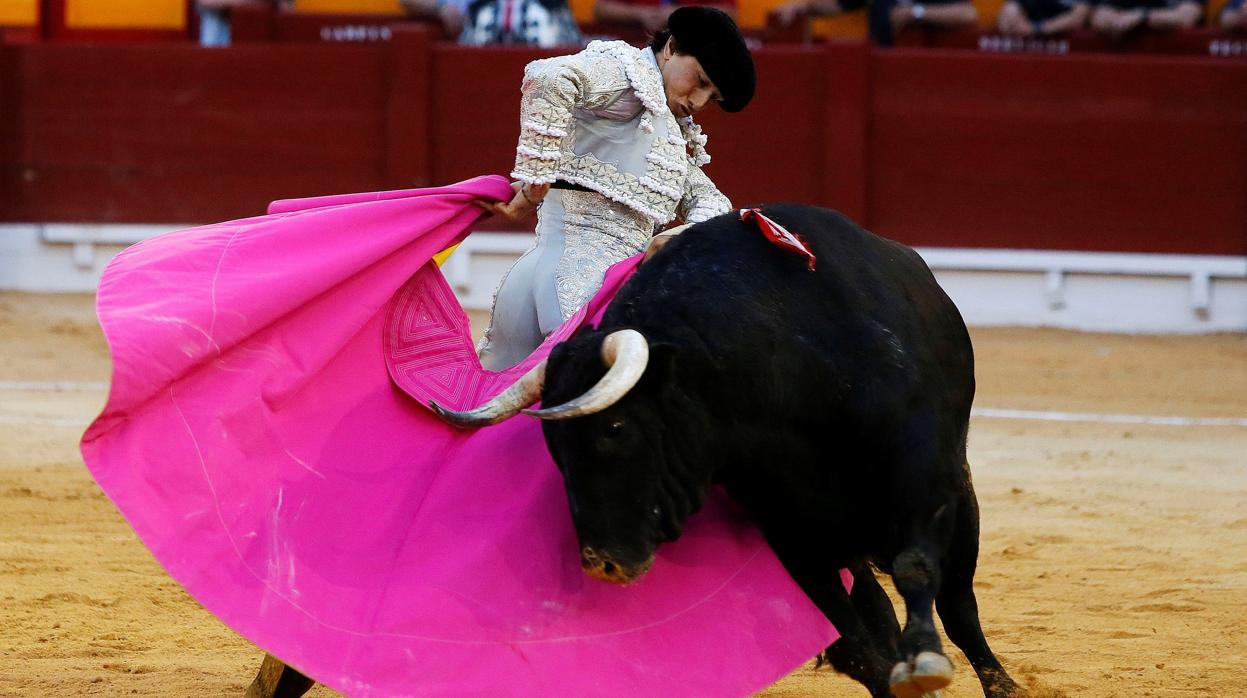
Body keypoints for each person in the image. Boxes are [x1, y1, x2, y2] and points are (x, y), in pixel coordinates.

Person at [474, 6, 756, 370]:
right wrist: (534, 182)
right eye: (700, 81)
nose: (698, 103)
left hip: (540, 279)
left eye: (712, 97)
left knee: (495, 406)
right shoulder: (628, 76)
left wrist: (685, 234)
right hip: (586, 289)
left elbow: (709, 198)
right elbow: (549, 78)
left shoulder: (662, 122)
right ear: (671, 47)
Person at [770, 0, 976, 45]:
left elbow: (968, 13)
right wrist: (805, 5)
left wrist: (917, 12)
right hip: (881, 58)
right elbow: (842, 4)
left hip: (928, 75)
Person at [594, 0, 738, 35]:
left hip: (693, 51)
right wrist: (638, 14)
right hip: (635, 50)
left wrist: (682, 14)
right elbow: (601, 9)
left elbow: (730, 13)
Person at [1089, 0, 1203, 38]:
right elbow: (1099, 17)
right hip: (1130, 59)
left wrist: (1143, 16)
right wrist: (1118, 22)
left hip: (1178, 56)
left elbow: (1186, 17)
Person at [996, 0, 1090, 35]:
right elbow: (1009, 10)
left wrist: (1038, 28)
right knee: (1009, 14)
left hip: (1065, 35)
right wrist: (1012, 20)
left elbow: (1078, 18)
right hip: (1031, 28)